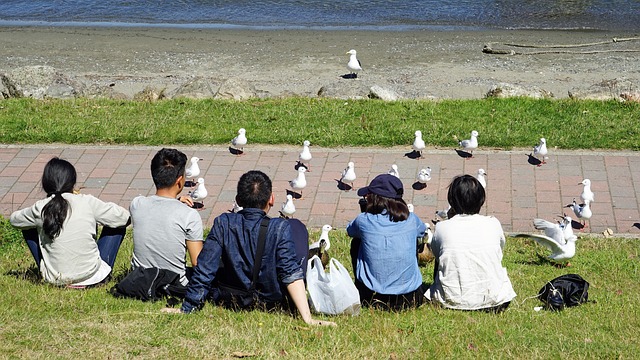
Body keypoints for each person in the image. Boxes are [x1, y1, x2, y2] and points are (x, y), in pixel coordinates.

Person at [165, 170, 335, 326]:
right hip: (270, 300)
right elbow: (289, 272)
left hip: (230, 297)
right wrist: (308, 318)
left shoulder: (223, 223)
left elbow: (205, 268)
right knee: (296, 227)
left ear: (238, 201)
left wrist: (187, 307)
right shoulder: (279, 227)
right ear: (272, 199)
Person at [10, 157, 130, 287]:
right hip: (93, 277)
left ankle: (49, 267)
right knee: (116, 224)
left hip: (56, 280)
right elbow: (124, 218)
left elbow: (14, 220)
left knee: (27, 227)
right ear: (72, 182)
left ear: (45, 183)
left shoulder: (40, 208)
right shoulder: (86, 201)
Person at [425, 175, 516, 312]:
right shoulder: (493, 223)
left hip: (451, 301)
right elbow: (499, 252)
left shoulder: (442, 228)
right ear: (481, 200)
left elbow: (438, 257)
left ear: (451, 202)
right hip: (495, 300)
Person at [128, 148, 204, 296]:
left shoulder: (137, 204)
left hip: (139, 280)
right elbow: (197, 262)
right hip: (174, 283)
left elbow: (160, 212)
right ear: (179, 181)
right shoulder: (189, 215)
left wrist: (175, 201)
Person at [347, 174, 427, 310]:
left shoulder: (363, 220)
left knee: (356, 242)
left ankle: (361, 285)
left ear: (374, 198)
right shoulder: (412, 219)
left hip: (371, 297)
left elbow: (350, 231)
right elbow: (422, 231)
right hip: (411, 297)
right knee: (413, 240)